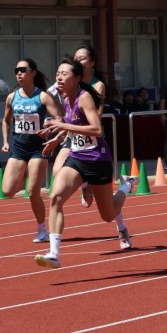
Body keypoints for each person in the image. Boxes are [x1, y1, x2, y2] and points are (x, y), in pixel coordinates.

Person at [34, 58, 136, 269]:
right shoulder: (66, 99)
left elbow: (96, 129)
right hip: (77, 158)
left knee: (107, 215)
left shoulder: (84, 98)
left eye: (64, 74)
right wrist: (57, 138)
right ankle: (54, 254)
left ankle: (126, 185)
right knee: (55, 197)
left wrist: (62, 125)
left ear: (77, 78)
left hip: (97, 159)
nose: (59, 77)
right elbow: (70, 124)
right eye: (58, 73)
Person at [0, 59, 62, 243]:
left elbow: (59, 118)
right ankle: (25, 173)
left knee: (33, 192)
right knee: (7, 191)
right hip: (19, 148)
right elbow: (5, 121)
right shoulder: (12, 97)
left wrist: (50, 128)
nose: (19, 73)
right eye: (16, 70)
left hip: (37, 148)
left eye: (23, 70)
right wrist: (5, 141)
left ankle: (42, 229)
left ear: (33, 73)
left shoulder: (42, 97)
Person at [55, 45, 106, 210]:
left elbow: (97, 116)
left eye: (82, 58)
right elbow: (65, 111)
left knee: (106, 208)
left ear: (92, 63)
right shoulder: (67, 81)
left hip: (91, 139)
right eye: (76, 58)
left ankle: (116, 193)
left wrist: (71, 123)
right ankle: (84, 185)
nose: (78, 60)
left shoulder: (97, 85)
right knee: (57, 170)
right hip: (73, 134)